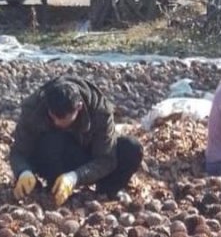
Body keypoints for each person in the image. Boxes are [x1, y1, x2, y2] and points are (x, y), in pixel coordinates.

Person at [12, 76, 143, 205]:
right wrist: (24, 171)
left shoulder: (100, 110)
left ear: (79, 107)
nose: (57, 122)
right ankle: (53, 188)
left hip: (89, 157)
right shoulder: (34, 107)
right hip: (52, 156)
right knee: (53, 138)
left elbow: (106, 159)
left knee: (131, 148)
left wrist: (74, 177)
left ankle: (106, 192)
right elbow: (18, 151)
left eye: (64, 120)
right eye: (53, 117)